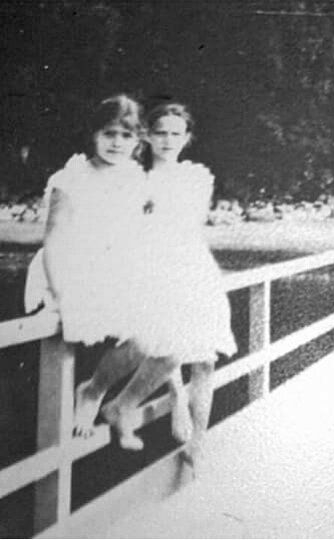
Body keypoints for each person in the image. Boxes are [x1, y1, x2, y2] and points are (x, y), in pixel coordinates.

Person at [79, 101, 237, 452]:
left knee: (201, 354)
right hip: (151, 266)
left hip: (192, 267)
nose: (167, 140)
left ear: (187, 137)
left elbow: (186, 225)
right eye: (160, 132)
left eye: (175, 133)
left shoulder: (197, 176)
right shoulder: (134, 178)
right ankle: (124, 398)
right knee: (158, 342)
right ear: (147, 136)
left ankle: (196, 443)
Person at [38, 94, 150, 448]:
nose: (117, 142)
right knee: (82, 323)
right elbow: (54, 239)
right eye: (109, 133)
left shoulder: (136, 178)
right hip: (68, 269)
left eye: (126, 135)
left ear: (138, 140)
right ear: (94, 134)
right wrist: (59, 293)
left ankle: (94, 389)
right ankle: (85, 400)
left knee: (152, 334)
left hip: (115, 270)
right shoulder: (72, 177)